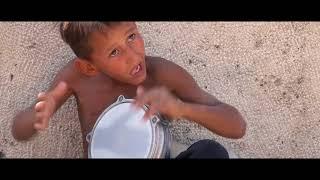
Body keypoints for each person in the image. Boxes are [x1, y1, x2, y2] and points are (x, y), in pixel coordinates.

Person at [11, 22, 246, 158]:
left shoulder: (161, 73)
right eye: (114, 52)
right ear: (89, 66)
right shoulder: (76, 78)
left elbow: (237, 126)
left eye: (132, 36)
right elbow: (18, 131)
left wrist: (183, 109)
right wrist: (38, 115)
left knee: (210, 152)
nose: (133, 56)